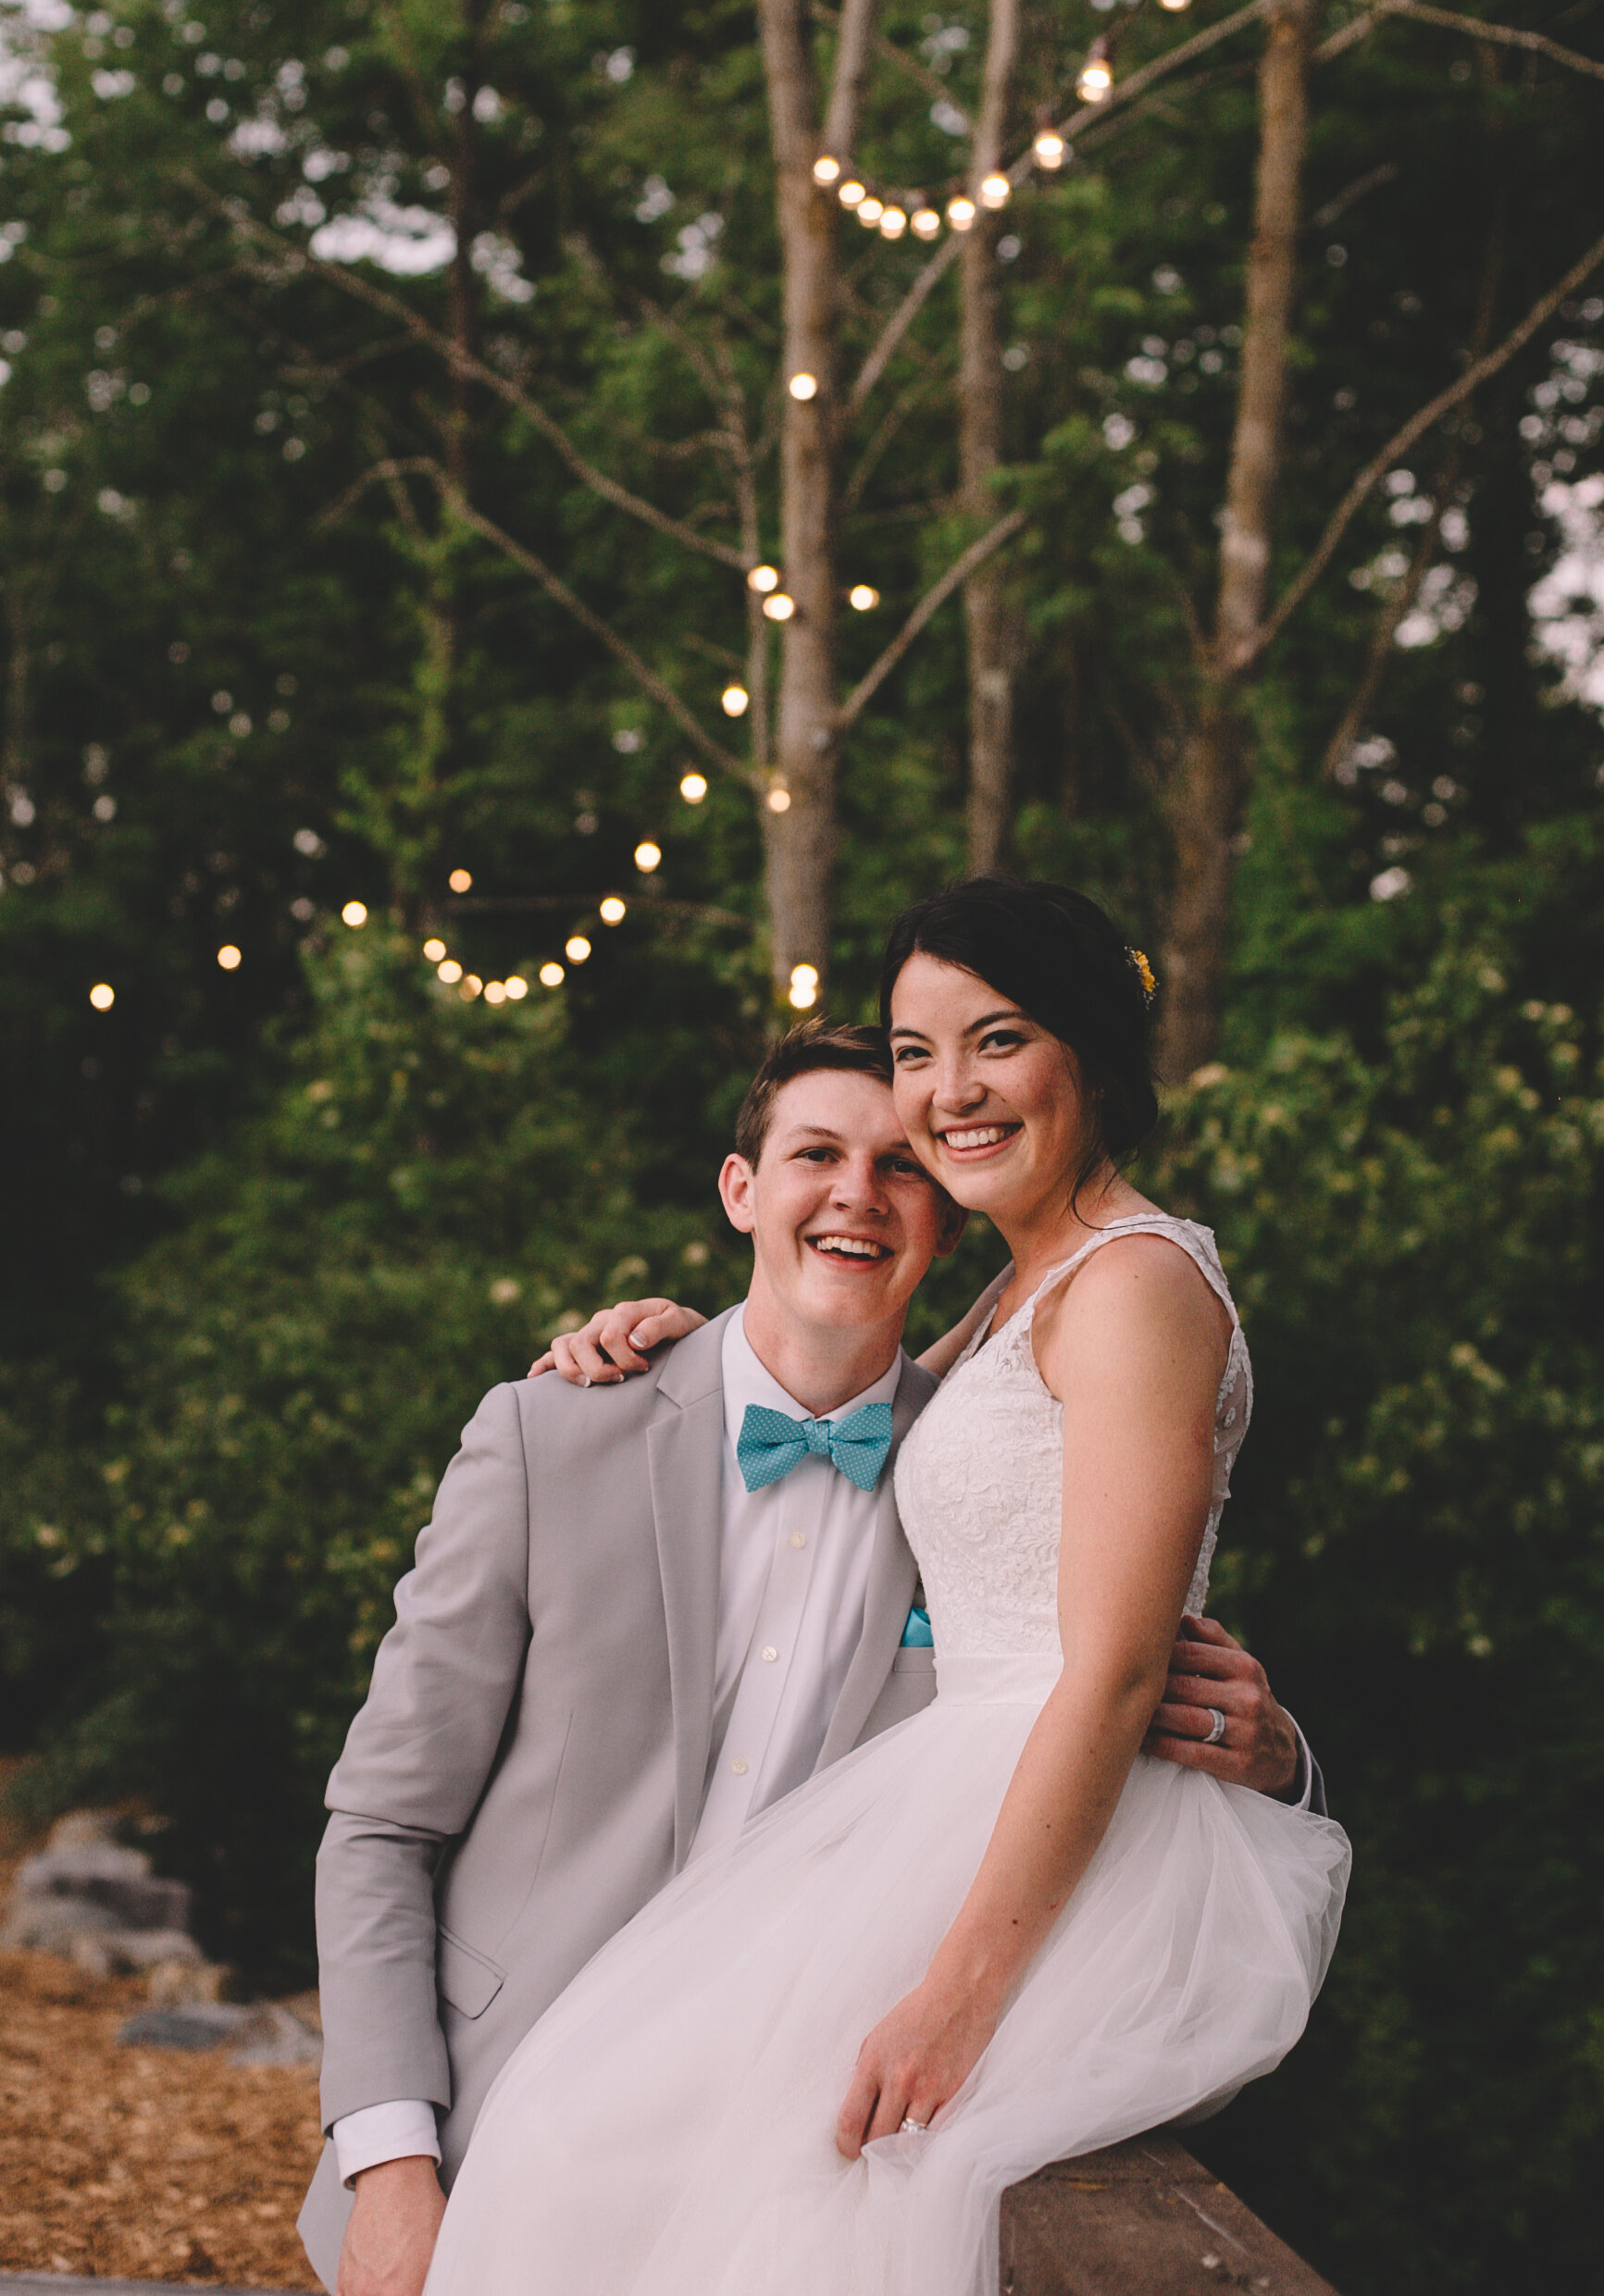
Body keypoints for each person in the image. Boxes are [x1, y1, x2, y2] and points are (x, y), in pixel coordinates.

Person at [415, 879, 1349, 2296]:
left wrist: (956, 2001)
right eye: (917, 1053)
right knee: (577, 2148)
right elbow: (875, 1387)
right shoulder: (1023, 1284)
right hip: (941, 1806)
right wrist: (670, 1339)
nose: (948, 1091)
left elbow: (1106, 1672)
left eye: (997, 1040)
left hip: (1048, 1833)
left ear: (1086, 1055)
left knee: (790, 2205)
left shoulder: (1136, 1284)